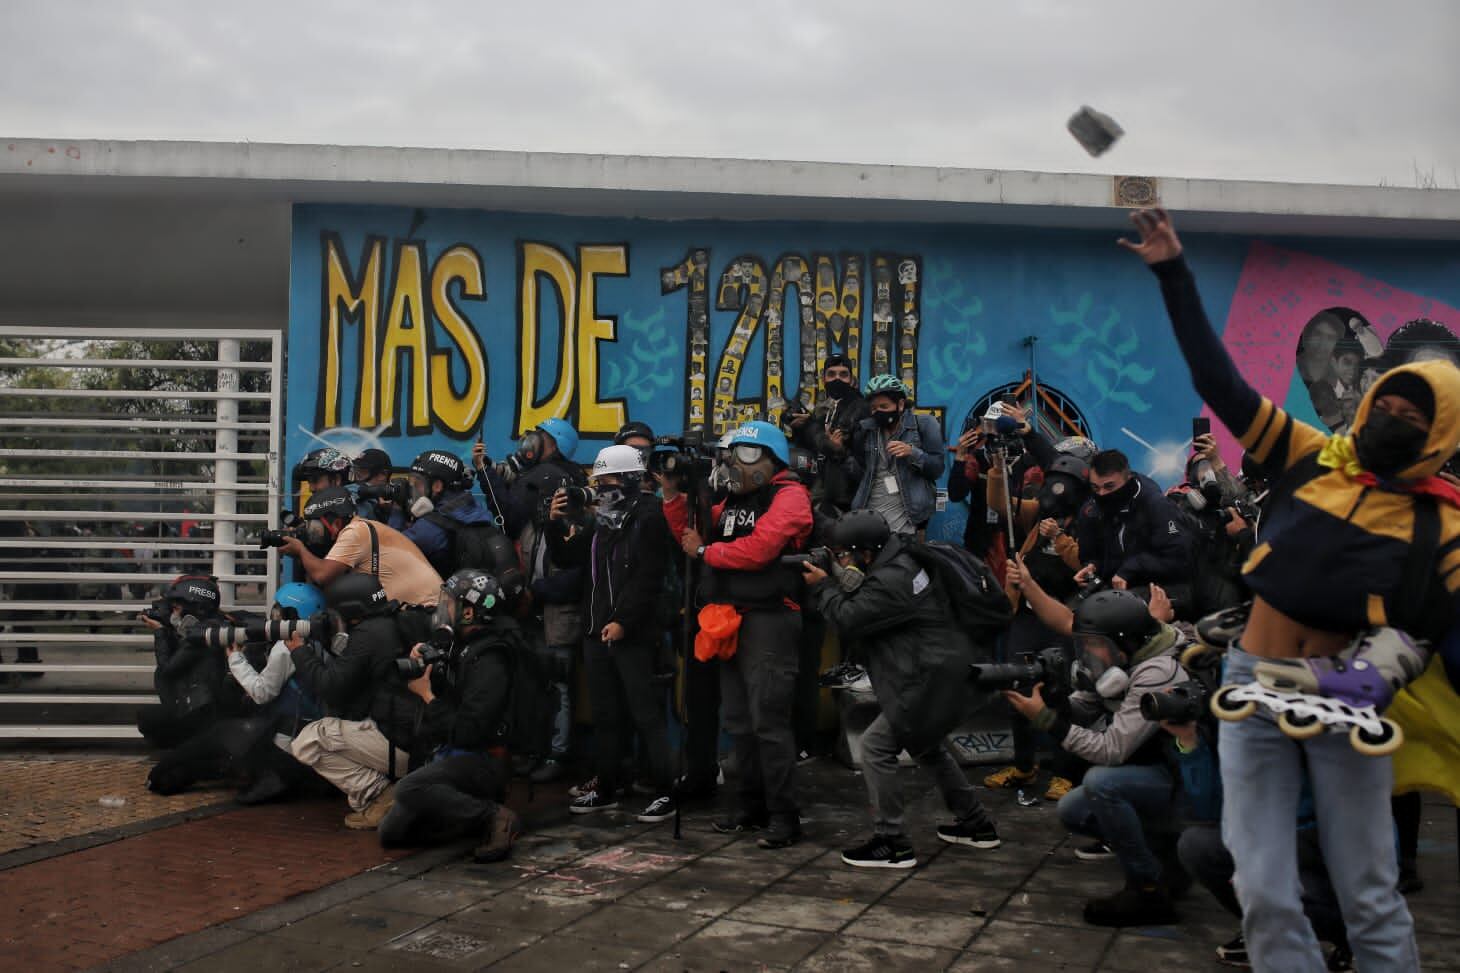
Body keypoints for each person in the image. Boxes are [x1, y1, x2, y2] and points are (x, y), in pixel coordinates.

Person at [1122, 206, 1452, 970]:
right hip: (1251, 687)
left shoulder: (1441, 523)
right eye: (1388, 404)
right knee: (1263, 888)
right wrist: (1173, 273)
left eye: (1414, 415)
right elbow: (1220, 381)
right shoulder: (1310, 455)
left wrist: (1391, 664)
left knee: (1368, 890)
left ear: (1441, 434)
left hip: (1345, 700)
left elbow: (1439, 630)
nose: (1393, 419)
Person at [804, 509, 1000, 868]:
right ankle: (976, 824)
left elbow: (849, 617)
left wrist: (821, 585)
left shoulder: (893, 579)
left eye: (846, 553)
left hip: (932, 677)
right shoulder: (904, 559)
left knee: (877, 747)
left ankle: (891, 842)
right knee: (926, 745)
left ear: (866, 551)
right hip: (948, 669)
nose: (844, 559)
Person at [1002, 589, 1187, 927]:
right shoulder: (1124, 658)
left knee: (1102, 783)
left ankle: (1147, 889)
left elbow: (1111, 750)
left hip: (1184, 779)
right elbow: (1083, 707)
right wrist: (1053, 697)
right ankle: (1167, 857)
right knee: (1073, 810)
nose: (1088, 651)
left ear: (1124, 641)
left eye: (1094, 643)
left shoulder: (1158, 671)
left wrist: (1046, 721)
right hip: (1153, 771)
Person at [681, 421, 813, 849]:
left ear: (773, 458)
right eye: (733, 453)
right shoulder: (730, 501)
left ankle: (784, 815)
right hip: (732, 619)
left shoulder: (790, 496)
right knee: (738, 720)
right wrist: (675, 491)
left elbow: (759, 550)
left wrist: (705, 552)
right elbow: (690, 530)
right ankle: (751, 805)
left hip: (771, 618)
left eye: (748, 454)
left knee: (769, 720)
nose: (738, 462)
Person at [548, 445, 677, 822]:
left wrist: (624, 620)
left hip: (632, 632)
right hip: (597, 629)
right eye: (599, 482)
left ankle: (665, 790)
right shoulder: (603, 520)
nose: (601, 489)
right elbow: (569, 560)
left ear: (631, 480)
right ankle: (607, 786)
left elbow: (647, 577)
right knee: (606, 715)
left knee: (645, 713)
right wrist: (555, 525)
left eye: (609, 481)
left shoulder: (649, 517)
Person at [377, 569, 526, 864]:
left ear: (469, 612)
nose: (443, 609)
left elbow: (470, 730)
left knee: (410, 788)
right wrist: (428, 666)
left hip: (484, 760)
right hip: (454, 754)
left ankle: (494, 816)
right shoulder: (461, 646)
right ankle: (467, 819)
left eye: (450, 603)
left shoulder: (491, 659)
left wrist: (428, 696)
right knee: (391, 832)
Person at [475, 419, 586, 783]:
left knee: (560, 684)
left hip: (557, 613)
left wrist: (536, 592)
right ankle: (536, 748)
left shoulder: (571, 518)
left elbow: (576, 574)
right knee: (537, 681)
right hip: (538, 610)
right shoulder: (540, 521)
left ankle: (557, 754)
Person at [981, 448, 1089, 801]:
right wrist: (997, 470)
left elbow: (1083, 566)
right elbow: (1002, 505)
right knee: (1018, 687)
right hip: (1026, 616)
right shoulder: (1036, 514)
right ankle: (1024, 766)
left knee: (1063, 694)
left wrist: (1058, 537)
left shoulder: (1089, 521)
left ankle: (1066, 773)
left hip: (1064, 618)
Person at [288, 573, 422, 829]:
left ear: (351, 611)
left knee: (309, 740)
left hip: (399, 745)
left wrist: (300, 652)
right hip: (418, 738)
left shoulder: (368, 635)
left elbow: (331, 687)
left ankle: (380, 795)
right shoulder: (396, 622)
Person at [278, 486, 442, 609]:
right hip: (425, 608)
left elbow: (322, 574)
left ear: (335, 523)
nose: (313, 534)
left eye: (315, 527)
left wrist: (300, 550)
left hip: (427, 609)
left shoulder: (355, 531)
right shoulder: (363, 528)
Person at [1074, 449, 1193, 598]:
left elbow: (1179, 558)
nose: (1102, 494)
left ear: (1128, 479)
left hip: (1165, 586)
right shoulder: (1091, 510)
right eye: (1095, 488)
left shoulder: (1156, 505)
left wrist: (1130, 569)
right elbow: (1090, 554)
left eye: (1109, 486)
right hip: (1115, 587)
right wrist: (1092, 566)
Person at [135, 575, 230, 749]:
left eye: (177, 608)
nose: (173, 613)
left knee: (146, 717)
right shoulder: (212, 625)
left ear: (196, 608)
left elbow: (168, 670)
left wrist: (160, 632)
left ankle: (190, 750)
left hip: (203, 715)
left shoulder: (202, 636)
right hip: (204, 709)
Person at [847, 375, 945, 536]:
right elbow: (860, 467)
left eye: (884, 406)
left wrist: (912, 453)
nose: (878, 412)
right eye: (873, 408)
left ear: (900, 405)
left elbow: (937, 468)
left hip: (909, 512)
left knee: (901, 555)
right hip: (871, 510)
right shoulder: (866, 430)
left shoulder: (925, 424)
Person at [783, 355, 870, 520]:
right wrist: (799, 427)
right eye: (832, 374)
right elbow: (815, 445)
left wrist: (809, 424)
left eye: (843, 374)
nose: (837, 379)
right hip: (823, 492)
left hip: (846, 497)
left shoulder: (860, 408)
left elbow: (830, 445)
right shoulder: (825, 408)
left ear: (851, 379)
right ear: (823, 379)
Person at [398, 450, 500, 578]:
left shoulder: (431, 526)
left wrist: (396, 511)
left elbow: (391, 552)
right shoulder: (475, 508)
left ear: (437, 486)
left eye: (417, 484)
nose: (412, 490)